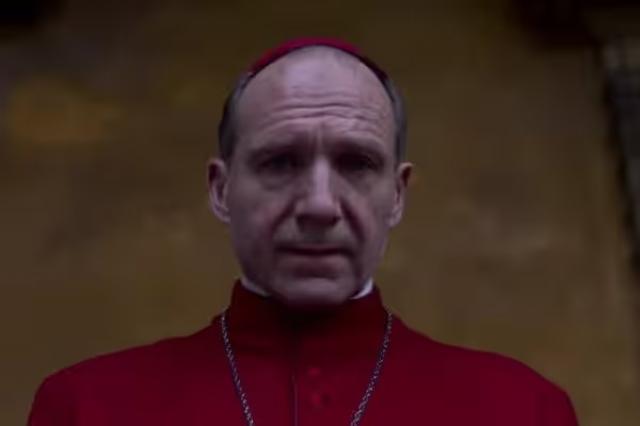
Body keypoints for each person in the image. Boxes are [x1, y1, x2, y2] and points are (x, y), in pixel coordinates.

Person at [28, 37, 579, 425]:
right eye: (280, 162)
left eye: (356, 163)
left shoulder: (523, 410)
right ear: (221, 189)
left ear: (397, 195)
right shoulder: (85, 408)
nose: (319, 205)